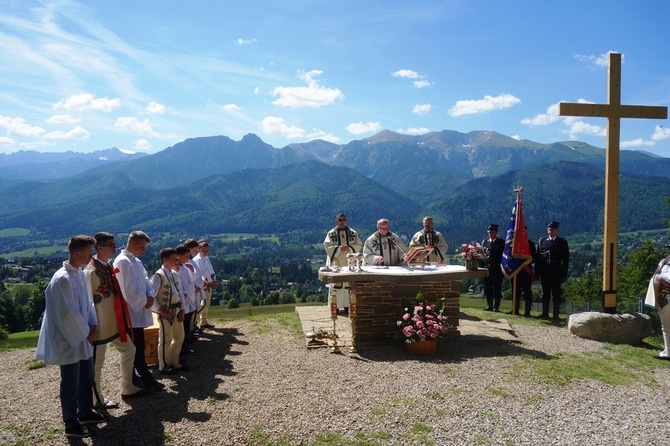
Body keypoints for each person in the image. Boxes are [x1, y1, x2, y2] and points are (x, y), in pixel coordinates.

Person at [36, 235, 108, 438]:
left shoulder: (77, 274)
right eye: (88, 252)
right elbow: (67, 314)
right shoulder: (62, 279)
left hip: (83, 335)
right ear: (77, 253)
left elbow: (87, 303)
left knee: (87, 375)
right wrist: (86, 331)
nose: (91, 256)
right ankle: (71, 423)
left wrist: (93, 323)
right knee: (69, 382)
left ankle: (84, 412)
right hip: (69, 339)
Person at [84, 232, 144, 412]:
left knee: (129, 349)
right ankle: (96, 399)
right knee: (97, 361)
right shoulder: (90, 270)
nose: (114, 247)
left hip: (115, 319)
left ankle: (127, 386)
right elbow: (87, 300)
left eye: (114, 243)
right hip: (100, 323)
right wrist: (90, 325)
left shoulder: (109, 265)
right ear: (100, 247)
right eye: (111, 244)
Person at [113, 231, 164, 392]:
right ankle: (141, 378)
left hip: (140, 308)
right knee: (136, 346)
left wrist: (150, 295)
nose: (143, 250)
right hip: (130, 313)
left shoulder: (136, 261)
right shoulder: (122, 262)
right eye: (141, 246)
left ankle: (138, 377)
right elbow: (127, 289)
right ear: (132, 243)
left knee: (139, 345)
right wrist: (144, 300)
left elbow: (146, 280)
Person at [151, 248, 188, 374]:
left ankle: (174, 362)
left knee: (179, 337)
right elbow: (151, 297)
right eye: (174, 259)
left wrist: (182, 309)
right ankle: (164, 365)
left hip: (177, 309)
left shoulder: (174, 274)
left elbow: (180, 293)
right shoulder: (158, 276)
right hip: (165, 312)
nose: (176, 261)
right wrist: (160, 310)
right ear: (165, 260)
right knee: (166, 339)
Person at [323, 213, 363, 312]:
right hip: (337, 261)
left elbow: (359, 244)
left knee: (348, 284)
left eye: (343, 219)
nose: (342, 222)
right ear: (336, 221)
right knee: (336, 284)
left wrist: (349, 248)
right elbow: (327, 246)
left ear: (346, 220)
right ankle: (335, 306)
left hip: (349, 261)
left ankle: (348, 306)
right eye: (340, 220)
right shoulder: (331, 233)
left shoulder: (352, 232)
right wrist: (339, 248)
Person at [536, 221, 570, 320]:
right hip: (545, 271)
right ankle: (545, 313)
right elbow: (538, 258)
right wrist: (537, 272)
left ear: (557, 230)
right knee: (545, 294)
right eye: (549, 229)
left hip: (556, 271)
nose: (551, 231)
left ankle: (555, 314)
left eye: (553, 229)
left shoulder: (562, 243)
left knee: (556, 294)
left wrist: (564, 274)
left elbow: (566, 260)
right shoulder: (542, 241)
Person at [193, 239, 217, 329]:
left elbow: (210, 271)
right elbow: (200, 274)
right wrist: (207, 283)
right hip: (203, 284)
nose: (206, 252)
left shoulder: (206, 258)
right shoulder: (197, 260)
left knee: (207, 304)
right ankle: (193, 321)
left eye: (207, 250)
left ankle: (204, 322)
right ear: (199, 249)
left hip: (209, 282)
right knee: (204, 304)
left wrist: (213, 280)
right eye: (204, 250)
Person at [513, 231, 537, 317]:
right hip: (515, 271)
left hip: (526, 271)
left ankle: (527, 311)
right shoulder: (513, 243)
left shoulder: (530, 244)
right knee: (515, 290)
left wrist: (524, 261)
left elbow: (534, 258)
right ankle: (515, 309)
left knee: (527, 291)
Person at [482, 224, 505, 312]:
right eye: (489, 232)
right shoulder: (485, 242)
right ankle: (489, 305)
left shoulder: (501, 242)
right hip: (487, 269)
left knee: (497, 288)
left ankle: (496, 307)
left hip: (497, 269)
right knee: (488, 288)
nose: (490, 234)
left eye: (492, 232)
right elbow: (483, 256)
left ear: (496, 232)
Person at [652, 254, 670, 360]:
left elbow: (656, 280)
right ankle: (667, 350)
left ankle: (668, 353)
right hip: (664, 298)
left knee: (666, 328)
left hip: (665, 298)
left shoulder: (664, 262)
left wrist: (661, 278)